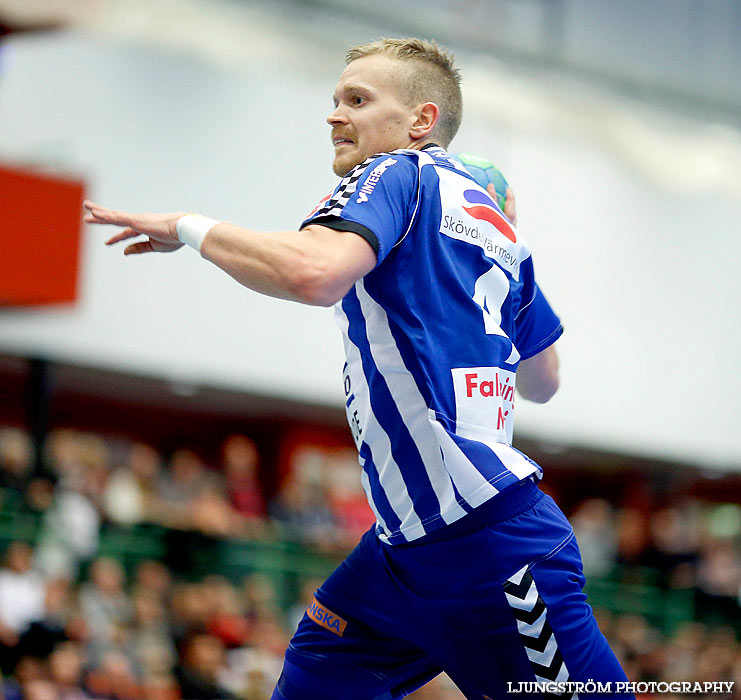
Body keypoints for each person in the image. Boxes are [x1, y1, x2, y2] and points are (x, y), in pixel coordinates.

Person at [84, 37, 632, 700]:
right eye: (334, 99)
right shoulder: (499, 232)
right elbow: (542, 380)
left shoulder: (397, 171)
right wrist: (496, 248)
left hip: (490, 550)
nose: (333, 115)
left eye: (356, 99)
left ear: (419, 124)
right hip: (399, 556)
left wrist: (188, 226)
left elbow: (312, 271)